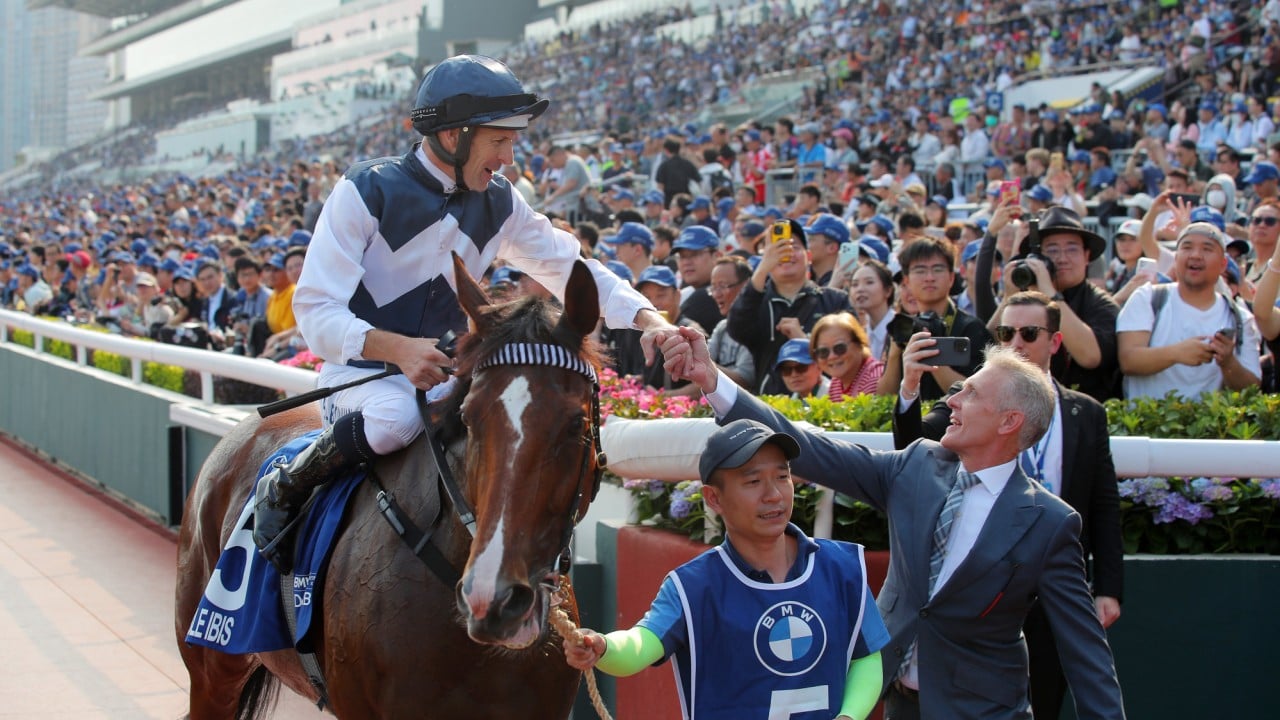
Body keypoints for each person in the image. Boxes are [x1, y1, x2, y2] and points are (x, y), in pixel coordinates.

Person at [259, 55, 677, 573]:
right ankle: (293, 479)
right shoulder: (366, 191)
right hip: (360, 377)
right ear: (454, 136)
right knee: (396, 420)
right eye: (499, 140)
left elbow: (571, 267)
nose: (509, 157)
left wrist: (649, 320)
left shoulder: (500, 203)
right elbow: (316, 313)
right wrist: (395, 348)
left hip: (445, 378)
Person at [668, 333, 1127, 720]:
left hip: (984, 711)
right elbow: (812, 448)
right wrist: (714, 383)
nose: (952, 399)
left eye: (970, 393)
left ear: (1010, 421)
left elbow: (1085, 652)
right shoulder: (917, 465)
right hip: (895, 701)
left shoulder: (1050, 522)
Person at [893, 291, 1123, 720]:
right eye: (1004, 332)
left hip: (1056, 580)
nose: (1016, 342)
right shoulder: (972, 403)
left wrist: (1108, 586)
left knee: (1053, 689)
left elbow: (1104, 503)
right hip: (986, 592)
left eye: (1029, 332)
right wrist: (910, 386)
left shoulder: (1086, 413)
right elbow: (911, 454)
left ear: (1054, 342)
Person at [563, 419, 887, 720]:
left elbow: (866, 656)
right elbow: (642, 644)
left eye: (782, 476)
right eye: (754, 481)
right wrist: (602, 648)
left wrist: (849, 716)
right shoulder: (692, 586)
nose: (774, 494)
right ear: (714, 499)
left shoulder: (843, 567)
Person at [976, 202, 1122, 401]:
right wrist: (1009, 297)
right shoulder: (1028, 299)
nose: (1062, 259)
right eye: (1052, 250)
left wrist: (1051, 293)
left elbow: (1090, 357)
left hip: (1085, 411)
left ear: (1087, 256)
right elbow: (989, 344)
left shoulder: (1101, 304)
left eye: (1071, 250)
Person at [1117, 222, 1262, 399]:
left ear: (1223, 264)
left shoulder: (1240, 317)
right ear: (1176, 258)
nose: (1195, 255)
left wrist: (1228, 361)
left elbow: (1252, 388)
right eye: (1187, 247)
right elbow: (1128, 360)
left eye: (1207, 249)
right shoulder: (1147, 298)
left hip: (1211, 425)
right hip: (1146, 424)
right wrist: (1176, 353)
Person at [726, 220, 852, 395]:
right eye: (778, 249)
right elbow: (736, 327)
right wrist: (762, 269)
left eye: (794, 247)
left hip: (825, 405)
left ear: (808, 256)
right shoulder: (757, 304)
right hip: (772, 408)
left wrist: (807, 343)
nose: (787, 254)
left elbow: (851, 355)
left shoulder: (835, 300)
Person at [810, 312, 884, 400]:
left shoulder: (874, 378)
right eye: (823, 352)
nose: (831, 356)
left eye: (839, 348)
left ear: (859, 344)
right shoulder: (836, 382)